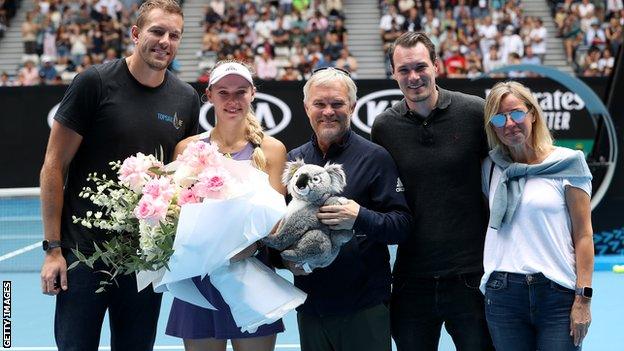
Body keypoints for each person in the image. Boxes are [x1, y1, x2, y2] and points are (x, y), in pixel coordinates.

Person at [39, 1, 199, 350]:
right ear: (136, 33)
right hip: (83, 256)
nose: (165, 41)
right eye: (157, 31)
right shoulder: (93, 83)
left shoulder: (186, 99)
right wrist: (53, 250)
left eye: (175, 35)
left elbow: (182, 181)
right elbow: (53, 165)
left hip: (145, 262)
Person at [371, 32, 494, 351]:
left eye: (420, 67)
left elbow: (498, 183)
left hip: (471, 276)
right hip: (412, 279)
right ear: (394, 74)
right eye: (404, 70)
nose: (413, 77)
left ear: (436, 66)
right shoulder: (384, 127)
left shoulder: (474, 113)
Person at [286, 67, 412, 351]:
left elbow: (401, 226)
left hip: (364, 306)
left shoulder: (375, 157)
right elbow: (282, 226)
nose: (328, 111)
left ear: (352, 107)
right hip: (310, 306)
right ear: (307, 108)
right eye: (319, 104)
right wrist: (286, 261)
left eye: (337, 103)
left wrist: (359, 217)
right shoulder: (295, 160)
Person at [165, 60, 288, 351]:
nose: (232, 101)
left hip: (252, 277)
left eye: (240, 92)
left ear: (253, 94)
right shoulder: (187, 148)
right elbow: (177, 214)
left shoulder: (273, 150)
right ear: (209, 96)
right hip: (199, 279)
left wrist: (252, 247)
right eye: (223, 93)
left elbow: (276, 222)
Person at [481, 81, 593, 350]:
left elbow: (584, 235)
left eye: (517, 113)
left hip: (557, 294)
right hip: (503, 295)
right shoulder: (491, 168)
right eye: (499, 118)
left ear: (532, 113)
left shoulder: (569, 163)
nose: (510, 123)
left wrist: (583, 299)